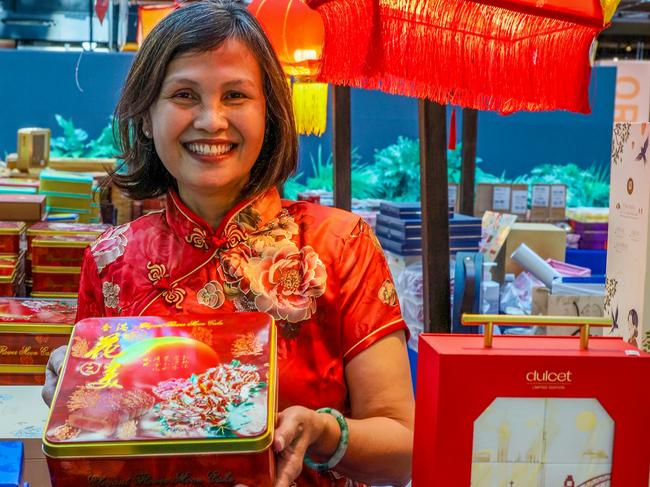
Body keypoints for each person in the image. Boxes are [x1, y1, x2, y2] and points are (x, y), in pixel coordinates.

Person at [42, 1, 414, 486]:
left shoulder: (340, 244)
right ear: (147, 114)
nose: (211, 120)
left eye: (235, 95)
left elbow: (405, 448)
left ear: (270, 113)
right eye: (183, 95)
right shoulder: (111, 261)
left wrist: (323, 431)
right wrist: (76, 394)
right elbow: (100, 447)